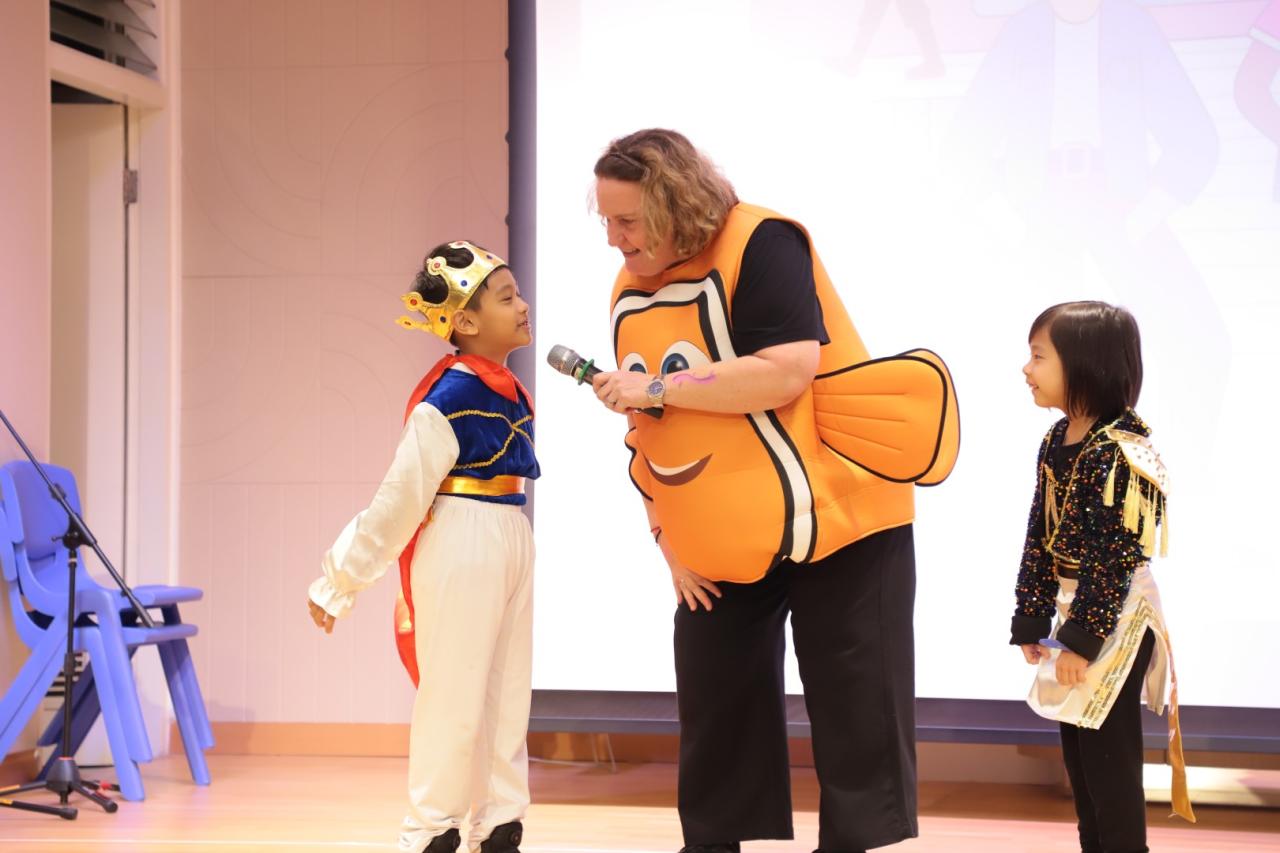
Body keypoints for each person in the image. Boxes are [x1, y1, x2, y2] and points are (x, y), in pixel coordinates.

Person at [588, 128, 958, 853]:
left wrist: (658, 385)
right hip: (727, 529)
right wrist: (670, 541)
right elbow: (648, 429)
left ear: (672, 203)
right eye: (605, 220)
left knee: (855, 711)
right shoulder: (630, 286)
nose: (614, 239)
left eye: (627, 220)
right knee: (715, 698)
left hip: (841, 513)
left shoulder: (762, 242)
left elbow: (786, 370)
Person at [306, 241, 537, 853]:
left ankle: (500, 820)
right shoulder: (446, 400)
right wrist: (341, 580)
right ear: (464, 322)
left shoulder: (511, 389)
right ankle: (432, 828)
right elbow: (399, 499)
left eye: (518, 294)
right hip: (463, 533)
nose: (523, 306)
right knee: (454, 689)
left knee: (507, 688)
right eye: (507, 298)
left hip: (510, 529)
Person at [1013, 300, 1194, 853]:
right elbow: (1040, 533)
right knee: (1082, 770)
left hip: (1115, 619)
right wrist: (1031, 617)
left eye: (1038, 357)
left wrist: (1082, 641)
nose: (1026, 369)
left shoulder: (1121, 453)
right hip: (1079, 616)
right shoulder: (1057, 439)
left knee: (1109, 772)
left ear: (1084, 364)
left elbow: (1112, 559)